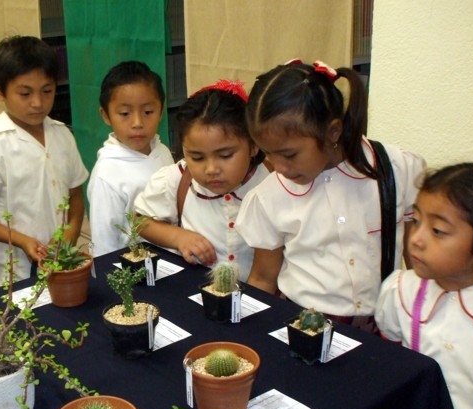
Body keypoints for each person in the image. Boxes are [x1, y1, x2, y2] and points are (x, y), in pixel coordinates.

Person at [235, 59, 425, 330]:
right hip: (303, 328)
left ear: (332, 131)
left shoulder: (396, 168)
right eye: (269, 154)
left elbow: (417, 257)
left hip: (384, 328)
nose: (278, 167)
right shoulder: (269, 196)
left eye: (289, 154)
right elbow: (264, 277)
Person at [375, 163, 473, 409]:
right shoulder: (400, 291)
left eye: (438, 231)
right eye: (416, 219)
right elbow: (392, 372)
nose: (416, 238)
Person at [0, 36, 88, 285]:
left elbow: (76, 195)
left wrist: (69, 234)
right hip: (16, 272)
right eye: (25, 93)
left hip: (64, 262)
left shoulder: (62, 134)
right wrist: (22, 240)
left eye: (47, 91)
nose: (38, 103)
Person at [133, 80, 269, 281]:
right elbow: (140, 221)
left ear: (253, 145)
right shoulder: (177, 180)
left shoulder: (270, 183)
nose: (211, 169)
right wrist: (178, 237)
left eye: (225, 155)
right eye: (197, 157)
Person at [87, 61, 173, 257]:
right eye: (125, 114)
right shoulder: (107, 173)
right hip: (132, 271)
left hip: (170, 260)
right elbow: (103, 242)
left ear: (161, 111)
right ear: (106, 115)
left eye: (148, 112)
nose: (137, 123)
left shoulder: (162, 151)